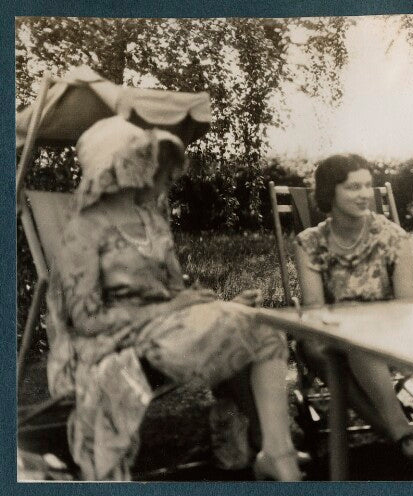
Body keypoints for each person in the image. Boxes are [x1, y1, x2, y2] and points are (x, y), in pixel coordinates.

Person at [46, 116, 302, 481]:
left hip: (164, 329)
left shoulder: (154, 223)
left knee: (261, 325)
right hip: (107, 341)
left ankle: (277, 452)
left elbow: (173, 292)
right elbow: (86, 320)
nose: (163, 174)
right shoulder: (84, 230)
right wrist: (175, 308)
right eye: (150, 161)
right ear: (117, 168)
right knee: (250, 332)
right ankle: (267, 447)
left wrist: (216, 305)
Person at [293, 154, 413, 466]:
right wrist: (344, 321)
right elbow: (314, 308)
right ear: (330, 192)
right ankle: (400, 432)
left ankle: (397, 433)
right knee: (314, 347)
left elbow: (406, 306)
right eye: (352, 187)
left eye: (367, 186)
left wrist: (364, 321)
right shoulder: (309, 242)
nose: (364, 194)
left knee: (360, 342)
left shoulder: (393, 237)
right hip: (331, 332)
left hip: (388, 330)